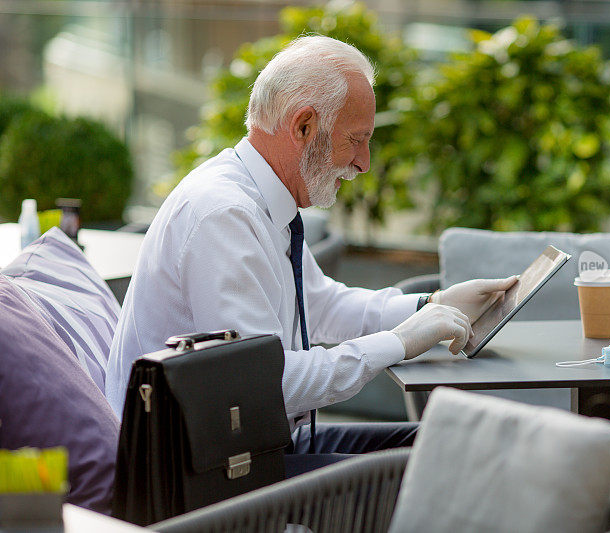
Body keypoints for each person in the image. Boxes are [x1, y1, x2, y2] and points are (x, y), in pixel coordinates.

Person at [105, 35, 517, 475]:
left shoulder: (257, 198)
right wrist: (398, 343)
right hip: (202, 476)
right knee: (442, 472)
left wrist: (433, 305)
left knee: (453, 447)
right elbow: (267, 385)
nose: (364, 163)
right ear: (303, 126)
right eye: (356, 139)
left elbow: (320, 304)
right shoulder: (223, 216)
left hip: (249, 447)